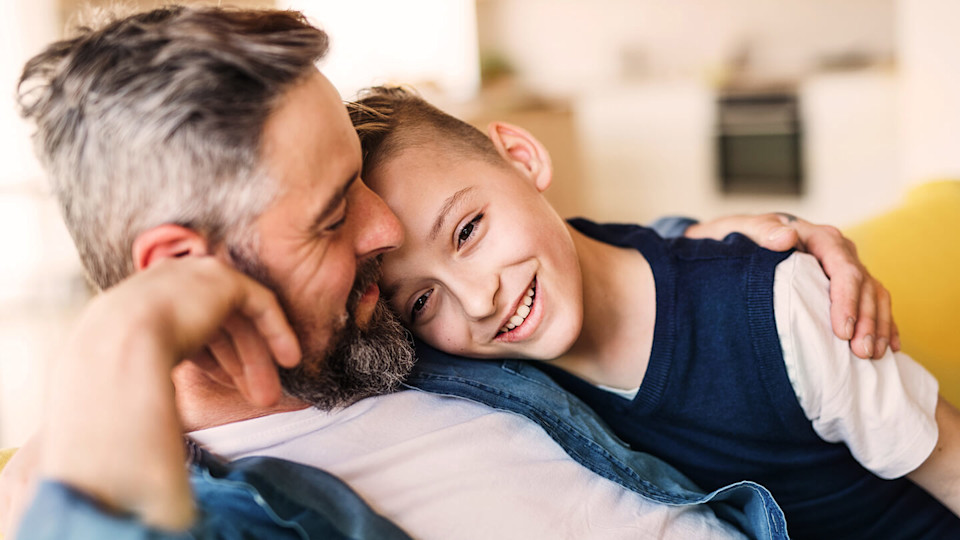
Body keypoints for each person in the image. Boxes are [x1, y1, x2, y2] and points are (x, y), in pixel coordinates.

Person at [0, 5, 899, 539]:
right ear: (177, 268)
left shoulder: (380, 333)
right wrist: (106, 351)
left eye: (360, 179)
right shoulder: (230, 506)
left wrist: (712, 247)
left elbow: (535, 263)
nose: (382, 228)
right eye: (331, 214)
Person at [347, 86, 960, 539]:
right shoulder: (484, 379)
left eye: (468, 230)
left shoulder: (779, 302)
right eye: (423, 300)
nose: (479, 300)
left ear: (523, 157)